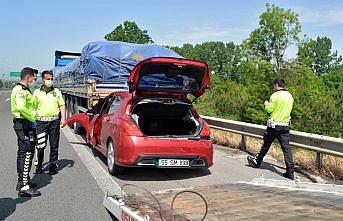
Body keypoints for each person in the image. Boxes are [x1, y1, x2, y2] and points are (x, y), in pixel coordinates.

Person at [247, 77, 295, 180]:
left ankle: (257, 161)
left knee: (266, 144)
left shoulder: (275, 95)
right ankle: (290, 172)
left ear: (277, 85)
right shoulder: (289, 96)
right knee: (286, 149)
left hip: (274, 126)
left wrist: (266, 104)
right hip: (285, 126)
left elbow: (269, 109)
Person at [11, 67, 41, 197]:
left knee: (25, 152)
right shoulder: (20, 91)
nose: (35, 80)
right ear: (28, 77)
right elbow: (22, 108)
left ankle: (23, 181)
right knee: (27, 152)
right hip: (24, 124)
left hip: (26, 124)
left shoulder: (25, 90)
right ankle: (24, 186)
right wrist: (33, 119)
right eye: (34, 78)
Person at [33, 70, 66, 175]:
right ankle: (39, 166)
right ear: (43, 80)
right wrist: (32, 121)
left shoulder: (57, 92)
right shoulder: (37, 92)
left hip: (54, 122)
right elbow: (32, 108)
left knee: (54, 145)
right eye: (48, 79)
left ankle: (52, 165)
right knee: (40, 145)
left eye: (51, 79)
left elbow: (62, 105)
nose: (50, 81)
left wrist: (63, 119)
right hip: (41, 123)